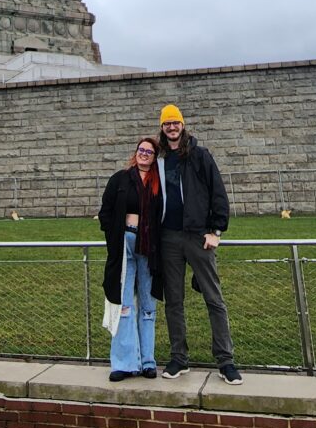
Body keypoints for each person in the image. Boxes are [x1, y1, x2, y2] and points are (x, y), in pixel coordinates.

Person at [157, 104, 243, 385]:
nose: (172, 127)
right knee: (174, 301)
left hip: (198, 235)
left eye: (176, 122)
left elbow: (218, 192)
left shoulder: (200, 155)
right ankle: (178, 358)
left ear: (183, 125)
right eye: (167, 123)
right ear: (162, 127)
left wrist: (216, 230)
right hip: (168, 237)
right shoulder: (158, 158)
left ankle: (225, 360)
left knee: (214, 298)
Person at [98, 137, 163, 381]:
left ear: (155, 156)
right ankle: (124, 362)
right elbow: (105, 212)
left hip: (151, 249)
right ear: (135, 153)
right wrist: (115, 236)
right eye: (141, 150)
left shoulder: (160, 183)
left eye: (149, 151)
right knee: (124, 306)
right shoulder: (121, 179)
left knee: (148, 306)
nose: (144, 153)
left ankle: (147, 361)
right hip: (124, 245)